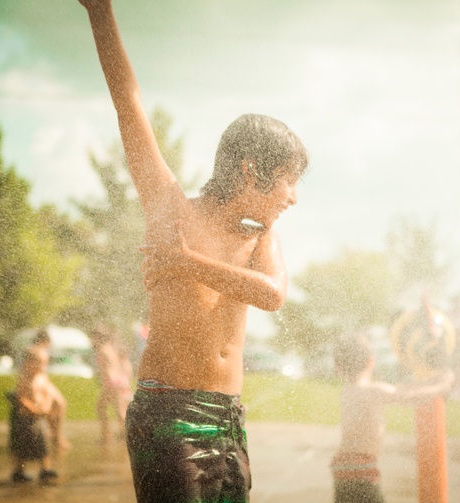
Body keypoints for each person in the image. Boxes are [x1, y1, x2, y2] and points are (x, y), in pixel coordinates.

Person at [78, 1, 308, 501]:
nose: (293, 196)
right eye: (289, 181)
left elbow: (272, 295)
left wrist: (187, 264)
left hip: (229, 418)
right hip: (168, 415)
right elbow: (128, 104)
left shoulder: (261, 235)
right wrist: (100, 12)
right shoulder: (170, 208)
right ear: (251, 172)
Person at [331, 334, 454, 503]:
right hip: (361, 467)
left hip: (342, 467)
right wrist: (442, 386)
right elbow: (408, 396)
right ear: (371, 361)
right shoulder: (373, 391)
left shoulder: (349, 391)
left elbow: (402, 389)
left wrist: (431, 381)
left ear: (338, 366)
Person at [7, 347, 59, 484]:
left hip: (39, 418)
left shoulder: (43, 378)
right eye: (40, 363)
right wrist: (34, 409)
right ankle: (19, 471)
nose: (44, 366)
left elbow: (49, 393)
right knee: (22, 446)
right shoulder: (25, 379)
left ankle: (45, 469)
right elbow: (21, 399)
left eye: (45, 363)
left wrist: (47, 405)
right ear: (28, 363)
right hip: (26, 419)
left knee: (43, 443)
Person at [30, 328, 72, 450]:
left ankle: (55, 436)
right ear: (44, 341)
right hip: (39, 382)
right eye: (48, 342)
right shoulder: (36, 351)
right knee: (56, 406)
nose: (50, 345)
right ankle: (56, 437)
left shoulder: (37, 350)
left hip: (42, 382)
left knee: (57, 406)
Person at [92, 325, 126, 443]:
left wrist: (105, 382)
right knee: (119, 410)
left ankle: (106, 436)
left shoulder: (101, 350)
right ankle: (126, 435)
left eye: (92, 337)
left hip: (111, 382)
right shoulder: (110, 347)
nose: (91, 340)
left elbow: (106, 370)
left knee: (101, 408)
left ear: (97, 337)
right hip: (119, 380)